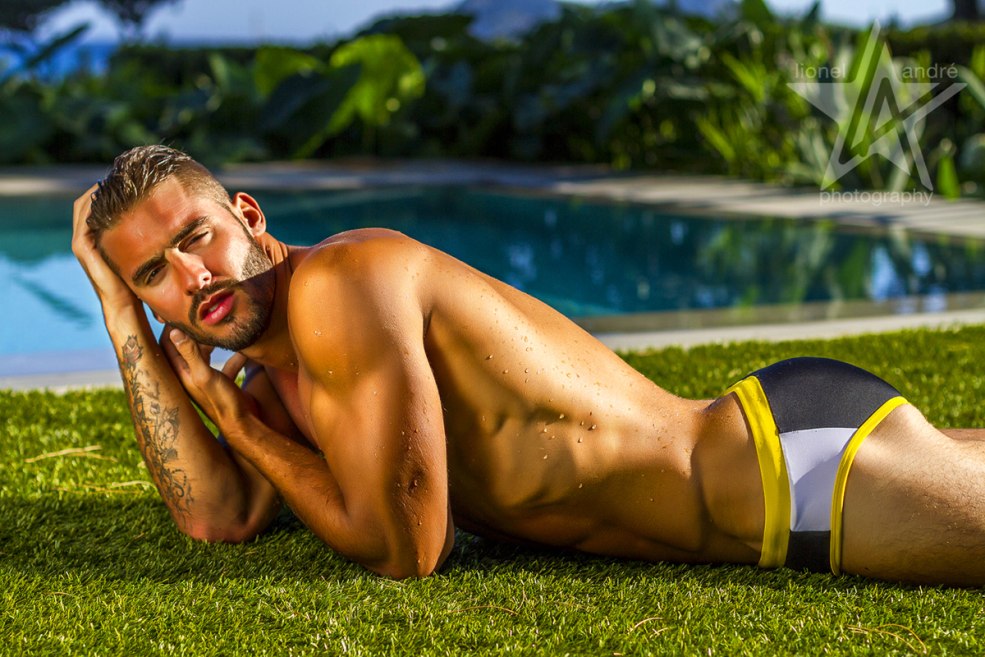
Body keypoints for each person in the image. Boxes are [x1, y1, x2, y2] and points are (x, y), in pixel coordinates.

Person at [72, 145, 985, 586]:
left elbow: (406, 549)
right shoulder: (283, 380)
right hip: (778, 456)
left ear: (247, 215)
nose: (191, 277)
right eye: (152, 274)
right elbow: (217, 516)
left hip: (792, 476)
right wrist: (120, 324)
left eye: (196, 238)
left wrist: (234, 426)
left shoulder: (342, 286)